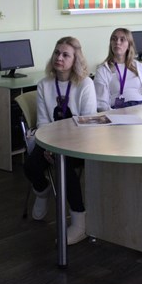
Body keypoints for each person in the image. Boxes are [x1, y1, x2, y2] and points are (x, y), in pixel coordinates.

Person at [24, 36, 97, 245]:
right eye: (57, 53)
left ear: (75, 60)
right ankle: (42, 190)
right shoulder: (44, 85)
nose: (59, 58)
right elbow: (43, 122)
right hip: (51, 141)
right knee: (29, 166)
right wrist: (50, 146)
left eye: (66, 55)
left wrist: (59, 148)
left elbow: (88, 123)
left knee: (63, 165)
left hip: (79, 143)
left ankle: (79, 223)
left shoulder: (85, 84)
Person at [94, 28, 142, 111]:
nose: (117, 42)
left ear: (129, 45)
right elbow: (101, 104)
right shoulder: (103, 70)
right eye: (114, 39)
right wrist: (114, 115)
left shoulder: (138, 66)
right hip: (118, 111)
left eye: (122, 39)